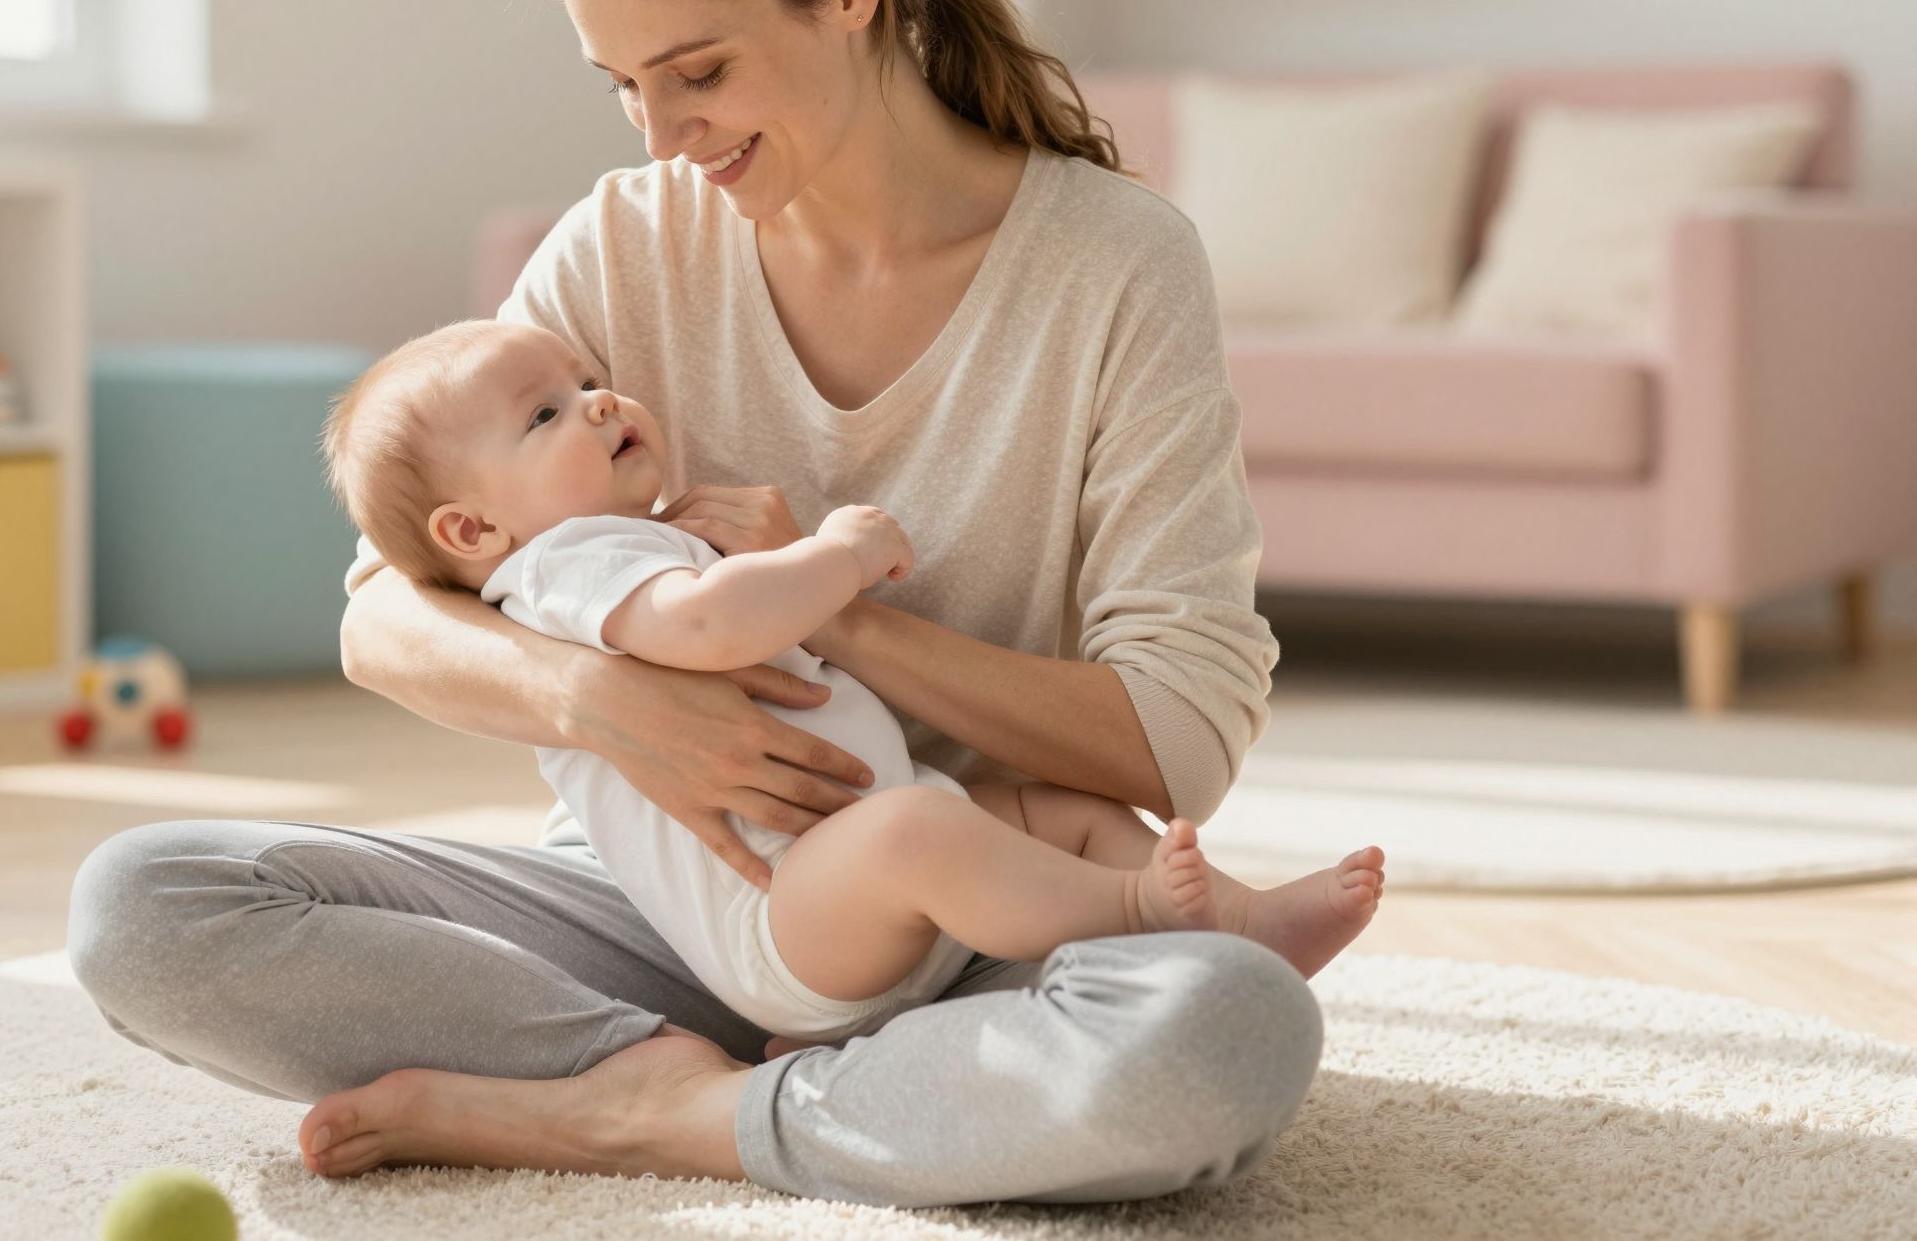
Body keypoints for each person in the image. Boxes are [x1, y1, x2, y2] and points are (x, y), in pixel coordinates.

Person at [67, 0, 1328, 1206]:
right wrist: (605, 702)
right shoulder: (627, 241)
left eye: (699, 72)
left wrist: (846, 622)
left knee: (1222, 1033)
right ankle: (733, 1082)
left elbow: (1178, 742)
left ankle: (643, 1120)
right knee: (147, 906)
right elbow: (384, 610)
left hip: (990, 905)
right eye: (623, 86)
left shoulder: (1115, 265)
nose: (663, 138)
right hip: (655, 914)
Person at [320, 317, 1386, 1045]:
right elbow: (704, 624)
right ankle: (1137, 908)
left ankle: (1242, 925)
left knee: (1051, 808)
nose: (596, 406)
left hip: (861, 902)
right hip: (783, 928)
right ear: (471, 530)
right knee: (919, 830)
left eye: (585, 384)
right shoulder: (561, 566)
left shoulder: (618, 541)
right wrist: (836, 555)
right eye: (546, 417)